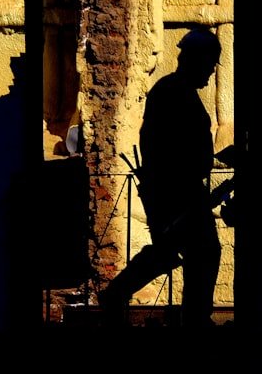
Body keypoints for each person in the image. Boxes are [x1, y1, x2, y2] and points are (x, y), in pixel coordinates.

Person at [98, 27, 223, 328]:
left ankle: (120, 296)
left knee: (174, 252)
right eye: (208, 64)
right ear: (196, 59)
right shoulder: (174, 93)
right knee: (199, 252)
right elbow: (165, 147)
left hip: (177, 191)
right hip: (178, 192)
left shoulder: (175, 90)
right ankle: (193, 320)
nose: (210, 72)